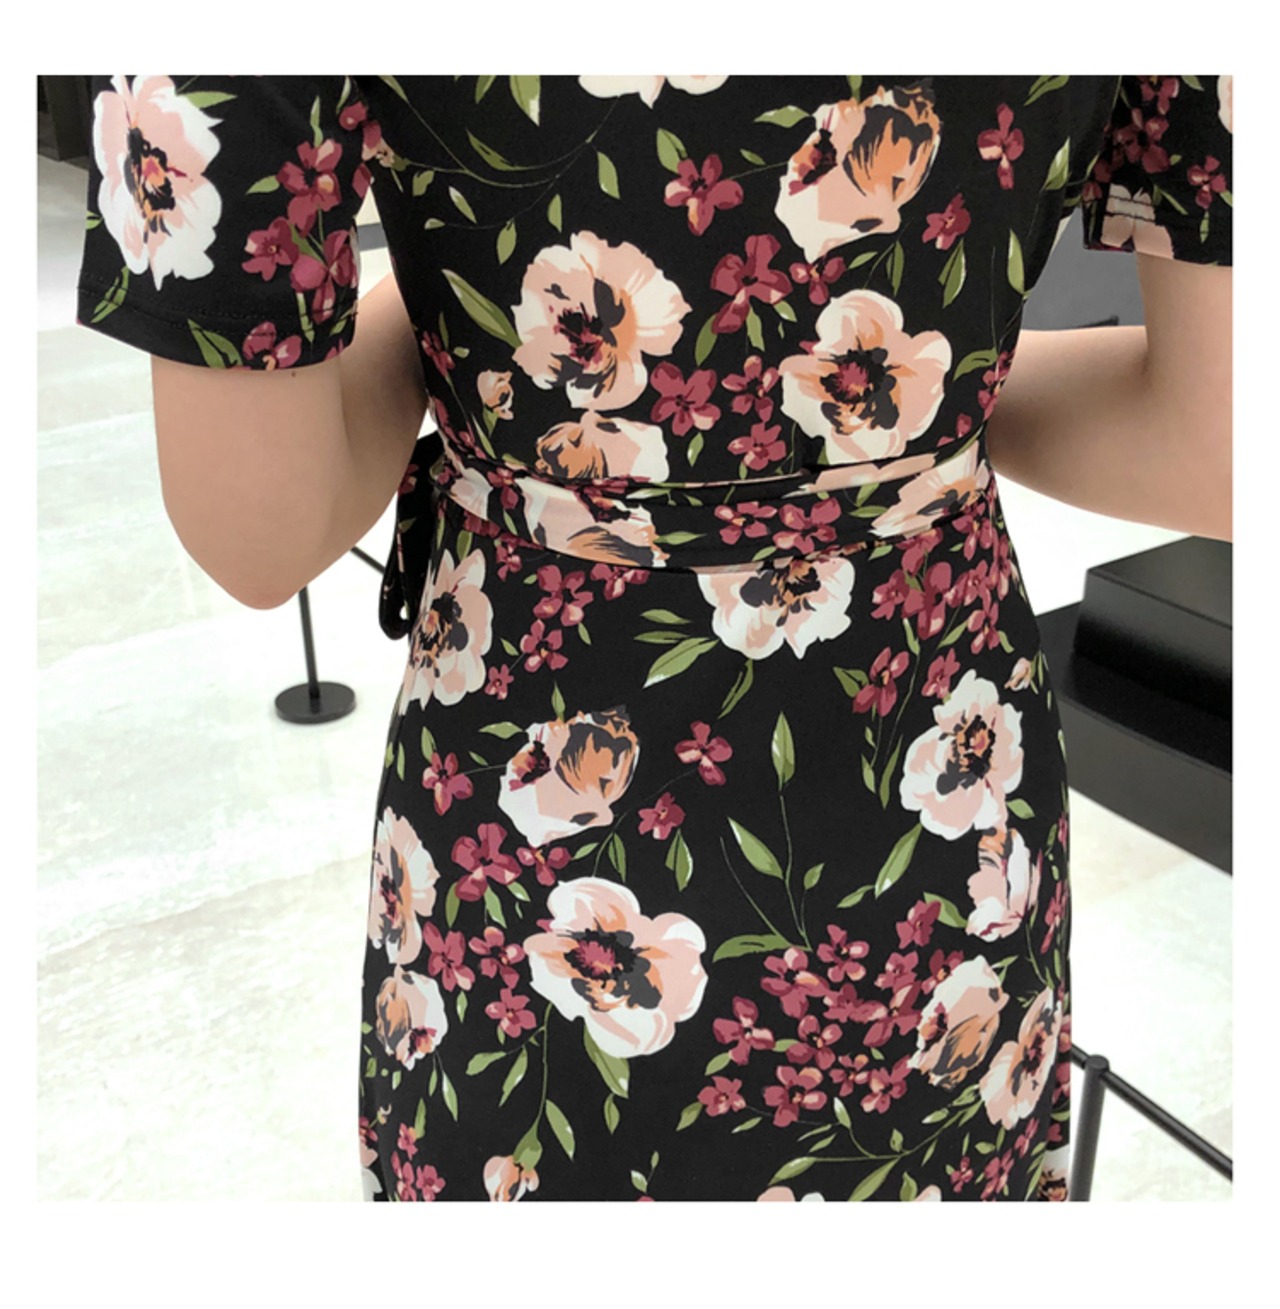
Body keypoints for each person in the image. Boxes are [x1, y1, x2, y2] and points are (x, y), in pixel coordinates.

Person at [75, 74, 1231, 1202]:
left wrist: (467, 342)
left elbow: (260, 531)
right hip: (937, 784)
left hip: (533, 812)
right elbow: (1211, 444)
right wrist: (894, 414)